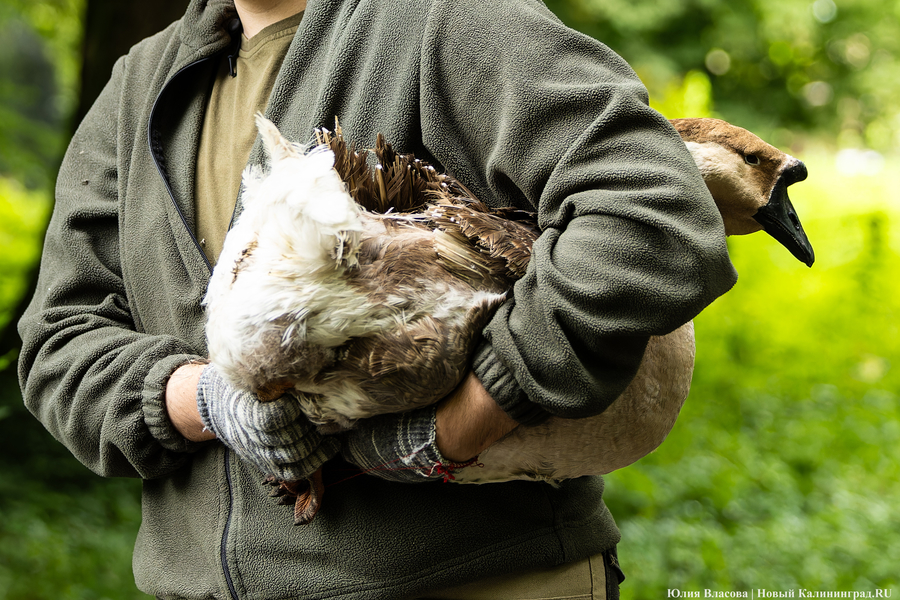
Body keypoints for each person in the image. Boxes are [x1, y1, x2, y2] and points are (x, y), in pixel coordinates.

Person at [17, 0, 738, 598]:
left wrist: (474, 414)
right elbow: (60, 341)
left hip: (474, 582)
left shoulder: (450, 21)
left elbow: (654, 212)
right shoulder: (141, 83)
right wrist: (206, 399)